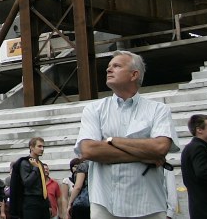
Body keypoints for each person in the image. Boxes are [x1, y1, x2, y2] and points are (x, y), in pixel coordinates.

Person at [75, 51, 177, 219]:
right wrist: (144, 154)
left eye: (116, 66)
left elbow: (159, 148)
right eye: (109, 66)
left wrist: (111, 141)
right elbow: (89, 150)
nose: (109, 70)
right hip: (105, 204)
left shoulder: (159, 110)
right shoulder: (93, 110)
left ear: (134, 74)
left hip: (149, 204)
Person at [9, 137, 49, 219]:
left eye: (43, 147)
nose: (42, 149)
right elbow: (27, 182)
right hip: (31, 201)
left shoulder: (40, 163)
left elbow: (42, 185)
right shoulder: (25, 163)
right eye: (39, 146)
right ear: (31, 147)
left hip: (42, 201)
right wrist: (35, 168)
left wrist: (48, 204)